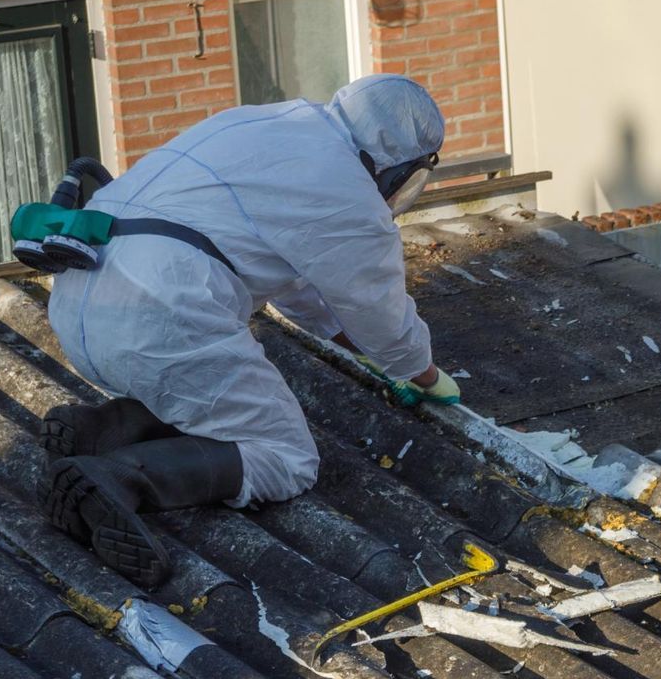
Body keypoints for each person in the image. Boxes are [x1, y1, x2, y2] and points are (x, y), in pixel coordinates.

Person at [41, 73, 460, 589]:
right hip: (163, 317)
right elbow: (377, 311)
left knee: (205, 392)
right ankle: (121, 477)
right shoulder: (347, 191)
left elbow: (300, 287)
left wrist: (362, 349)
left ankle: (102, 428)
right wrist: (424, 374)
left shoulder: (261, 122)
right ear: (400, 165)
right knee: (287, 458)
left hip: (78, 299)